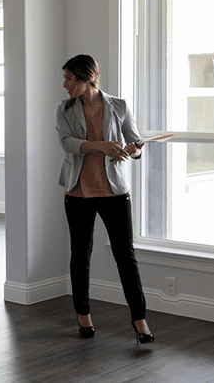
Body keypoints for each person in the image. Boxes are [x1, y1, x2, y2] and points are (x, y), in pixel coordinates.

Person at [56, 54, 155, 344]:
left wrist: (132, 150)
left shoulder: (119, 106)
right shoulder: (64, 109)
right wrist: (103, 147)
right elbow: (67, 143)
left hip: (114, 192)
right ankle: (83, 315)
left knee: (126, 258)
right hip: (78, 192)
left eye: (69, 78)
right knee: (80, 256)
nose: (65, 84)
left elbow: (136, 144)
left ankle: (140, 321)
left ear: (88, 78)